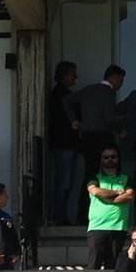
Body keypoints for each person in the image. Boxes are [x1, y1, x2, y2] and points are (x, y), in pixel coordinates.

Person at [66, 65, 127, 183]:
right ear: (114, 78)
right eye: (121, 81)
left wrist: (73, 120)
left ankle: (84, 201)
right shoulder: (109, 92)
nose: (121, 84)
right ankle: (110, 197)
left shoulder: (88, 89)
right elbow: (109, 118)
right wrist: (120, 130)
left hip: (87, 137)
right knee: (112, 170)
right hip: (103, 137)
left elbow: (66, 100)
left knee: (90, 172)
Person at [85, 147, 134, 270]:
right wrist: (117, 192)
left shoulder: (126, 177)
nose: (109, 159)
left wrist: (106, 197)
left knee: (113, 267)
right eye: (106, 157)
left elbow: (130, 196)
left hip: (118, 227)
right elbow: (95, 191)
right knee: (93, 267)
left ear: (118, 159)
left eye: (113, 156)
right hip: (97, 226)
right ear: (101, 160)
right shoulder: (94, 177)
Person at [48, 61, 82, 226]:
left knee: (65, 182)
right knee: (64, 182)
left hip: (64, 144)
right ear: (65, 75)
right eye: (72, 73)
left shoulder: (57, 94)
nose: (75, 77)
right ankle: (59, 218)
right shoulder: (63, 96)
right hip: (64, 144)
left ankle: (60, 216)